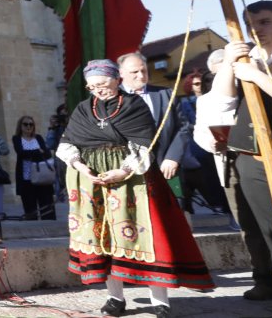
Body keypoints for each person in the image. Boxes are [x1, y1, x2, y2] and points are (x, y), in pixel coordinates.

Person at [57, 59, 212, 317]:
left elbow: (143, 144)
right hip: (93, 181)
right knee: (104, 238)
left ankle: (159, 301)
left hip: (133, 180)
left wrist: (124, 170)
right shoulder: (83, 109)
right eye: (93, 87)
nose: (99, 90)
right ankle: (115, 299)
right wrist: (80, 166)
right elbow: (67, 143)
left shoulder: (133, 105)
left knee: (146, 235)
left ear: (117, 80)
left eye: (104, 84)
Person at [205, 0, 272, 302]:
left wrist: (256, 76)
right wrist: (230, 65)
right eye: (250, 24)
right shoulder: (242, 61)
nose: (257, 30)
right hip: (253, 161)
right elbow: (220, 107)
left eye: (265, 22)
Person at [117, 52, 192, 181]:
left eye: (144, 71)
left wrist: (173, 157)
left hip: (167, 169)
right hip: (132, 174)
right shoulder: (112, 99)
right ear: (121, 73)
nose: (141, 76)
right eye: (134, 72)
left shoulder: (165, 94)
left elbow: (183, 127)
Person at [176, 72, 229, 215]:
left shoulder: (214, 98)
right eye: (196, 84)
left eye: (201, 83)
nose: (199, 86)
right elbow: (186, 124)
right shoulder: (186, 102)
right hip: (198, 144)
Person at [12, 115, 55, 220]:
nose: (28, 127)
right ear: (20, 126)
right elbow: (21, 153)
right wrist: (37, 152)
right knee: (30, 208)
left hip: (42, 176)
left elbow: (47, 154)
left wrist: (32, 154)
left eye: (31, 124)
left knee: (46, 206)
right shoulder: (17, 139)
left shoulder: (38, 138)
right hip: (26, 177)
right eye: (25, 124)